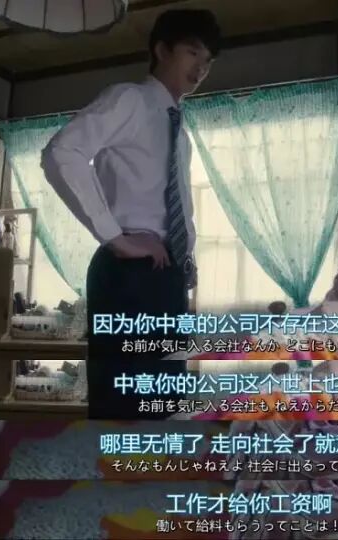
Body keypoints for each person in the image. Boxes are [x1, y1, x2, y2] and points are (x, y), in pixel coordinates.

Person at [41, 9, 221, 419]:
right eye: (193, 53)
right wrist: (115, 237)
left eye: (208, 61)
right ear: (161, 50)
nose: (201, 68)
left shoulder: (179, 129)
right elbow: (62, 153)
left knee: (164, 403)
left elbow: (175, 202)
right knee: (125, 406)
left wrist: (185, 263)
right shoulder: (130, 100)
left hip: (165, 274)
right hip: (129, 272)